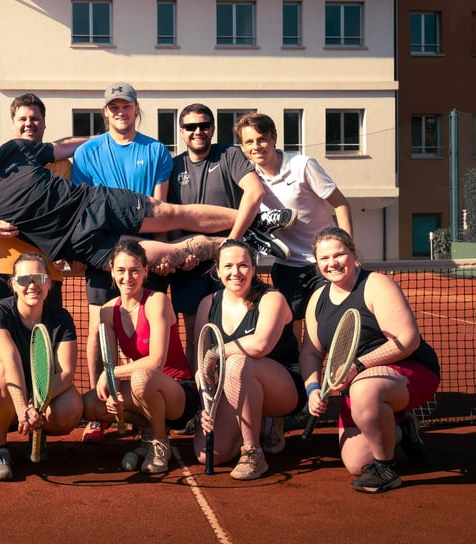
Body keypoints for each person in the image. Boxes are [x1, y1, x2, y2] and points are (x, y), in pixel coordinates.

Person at [0, 114, 294, 278]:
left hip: (94, 202)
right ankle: (239, 240)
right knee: (163, 256)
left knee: (171, 212)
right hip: (75, 244)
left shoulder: (17, 149)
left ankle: (253, 220)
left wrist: (110, 135)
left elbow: (65, 147)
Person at [299, 228, 440, 493]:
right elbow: (311, 352)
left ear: (353, 255)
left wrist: (358, 366)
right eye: (324, 258)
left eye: (339, 254)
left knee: (365, 388)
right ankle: (402, 428)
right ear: (317, 264)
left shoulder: (376, 285)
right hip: (358, 383)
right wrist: (313, 389)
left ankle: (386, 470)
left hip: (410, 370)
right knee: (357, 462)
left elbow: (407, 340)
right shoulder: (318, 299)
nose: (332, 263)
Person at [71, 82, 174, 442]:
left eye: (125, 106)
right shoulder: (87, 152)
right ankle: (101, 408)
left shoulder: (156, 150)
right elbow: (82, 206)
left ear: (136, 109)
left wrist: (160, 252)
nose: (120, 112)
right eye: (113, 107)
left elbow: (160, 210)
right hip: (102, 254)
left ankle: (147, 405)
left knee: (146, 330)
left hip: (143, 256)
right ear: (106, 112)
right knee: (99, 331)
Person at [168, 104, 280, 367]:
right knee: (195, 333)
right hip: (191, 265)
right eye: (191, 127)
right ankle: (200, 387)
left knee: (238, 325)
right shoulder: (173, 166)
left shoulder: (230, 154)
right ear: (181, 131)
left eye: (204, 125)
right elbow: (170, 216)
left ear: (213, 128)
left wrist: (231, 241)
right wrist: (181, 255)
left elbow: (255, 192)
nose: (198, 131)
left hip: (231, 260)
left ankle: (239, 385)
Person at [82, 240, 200, 474]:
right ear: (112, 271)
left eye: (135, 271)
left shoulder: (157, 301)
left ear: (146, 271)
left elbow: (156, 361)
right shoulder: (107, 311)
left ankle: (159, 443)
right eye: (121, 270)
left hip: (178, 393)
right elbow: (112, 362)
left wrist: (111, 374)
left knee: (142, 377)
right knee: (88, 404)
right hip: (141, 388)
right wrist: (114, 394)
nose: (128, 277)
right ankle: (148, 429)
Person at [192, 239, 306, 480]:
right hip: (235, 386)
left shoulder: (272, 299)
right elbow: (201, 366)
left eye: (243, 265)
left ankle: (253, 452)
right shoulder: (207, 304)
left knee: (237, 362)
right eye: (228, 266)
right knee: (208, 454)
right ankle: (263, 426)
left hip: (282, 389)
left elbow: (260, 345)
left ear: (253, 268)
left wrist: (216, 352)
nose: (235, 272)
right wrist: (206, 405)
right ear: (217, 270)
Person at [235, 112, 353, 341]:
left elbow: (341, 204)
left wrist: (348, 249)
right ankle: (299, 368)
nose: (256, 146)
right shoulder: (249, 178)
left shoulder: (303, 165)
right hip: (287, 265)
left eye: (262, 139)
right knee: (291, 330)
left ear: (274, 138)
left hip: (321, 263)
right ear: (243, 147)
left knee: (325, 327)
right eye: (249, 142)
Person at [0, 252, 83, 481]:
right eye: (25, 279)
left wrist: (35, 404)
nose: (33, 285)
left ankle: (38, 430)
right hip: (5, 389)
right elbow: (10, 359)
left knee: (70, 407)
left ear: (49, 283)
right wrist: (22, 408)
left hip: (41, 392)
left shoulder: (61, 317)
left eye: (39, 278)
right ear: (13, 284)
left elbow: (66, 373)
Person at [0, 93, 70, 324]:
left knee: (44, 337)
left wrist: (64, 250)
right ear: (13, 123)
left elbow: (67, 215)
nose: (29, 124)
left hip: (44, 271)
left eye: (35, 118)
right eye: (22, 119)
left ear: (44, 123)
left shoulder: (63, 165)